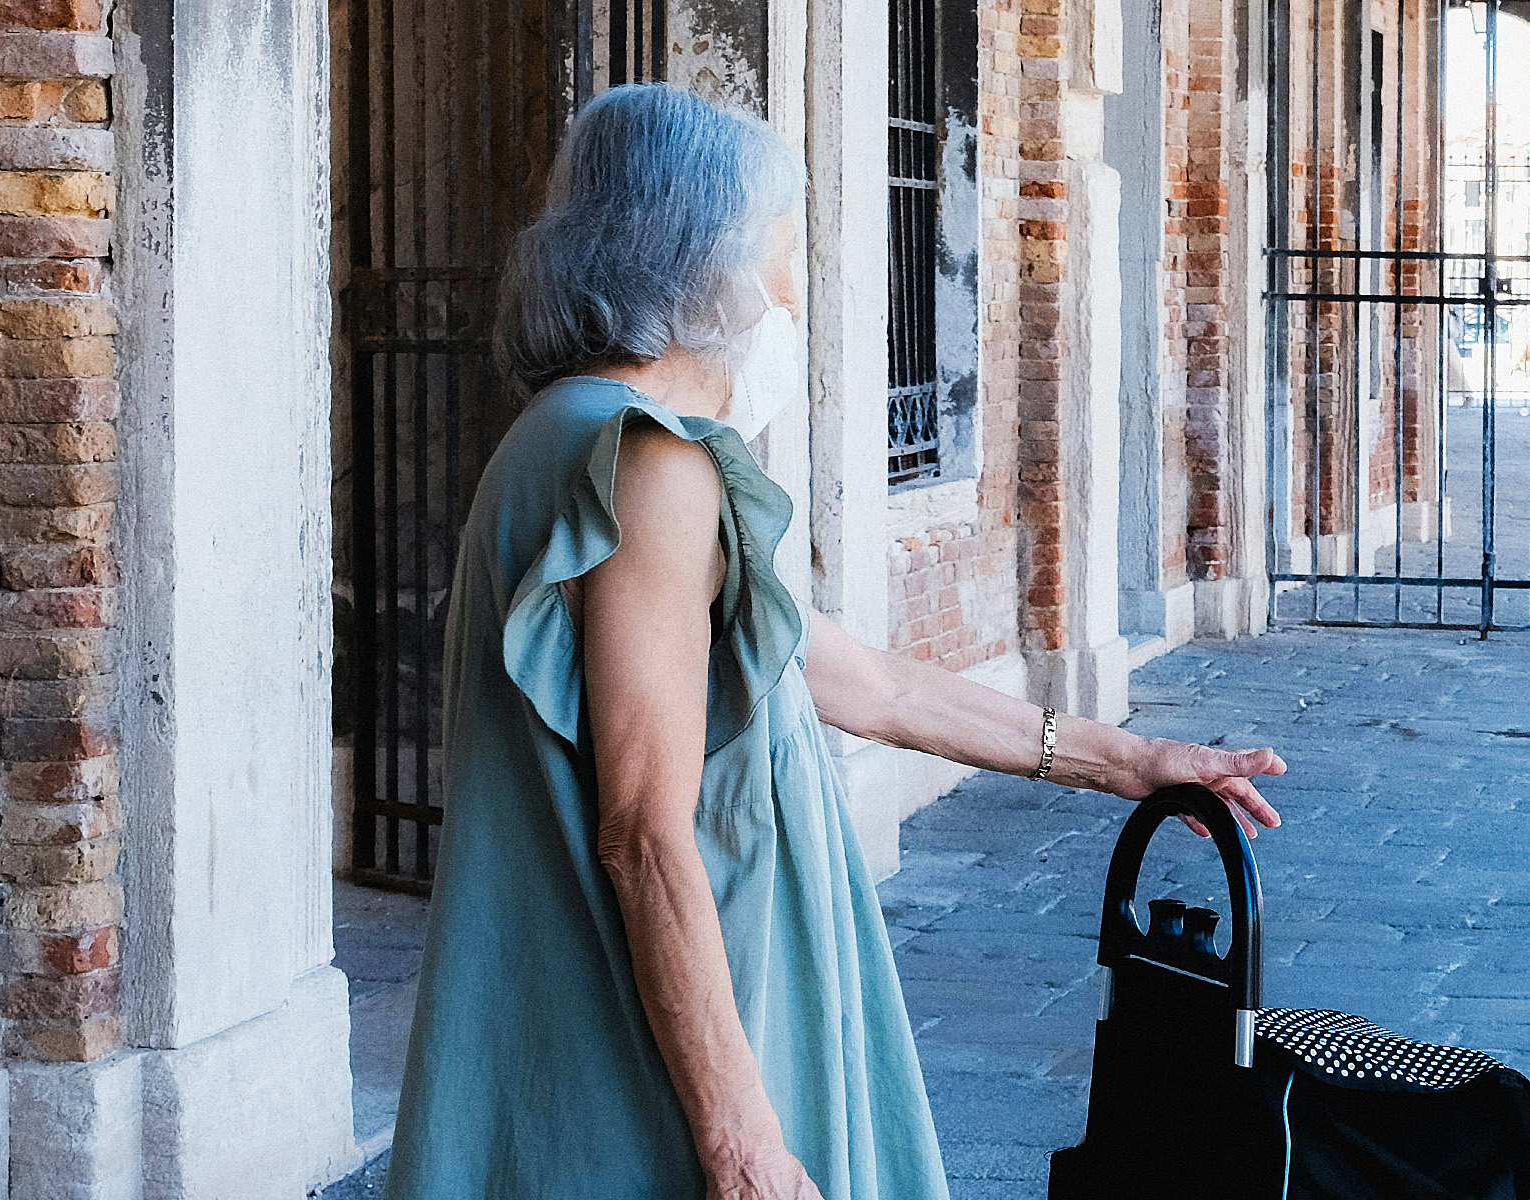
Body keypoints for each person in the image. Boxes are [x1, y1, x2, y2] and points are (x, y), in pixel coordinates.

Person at [385, 83, 1287, 1200]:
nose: (786, 289)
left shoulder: (565, 439)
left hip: (597, 1018)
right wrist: (741, 1140)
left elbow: (862, 681)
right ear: (695, 257)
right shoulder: (648, 464)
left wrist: (1134, 763)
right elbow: (643, 837)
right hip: (655, 1056)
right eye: (774, 250)